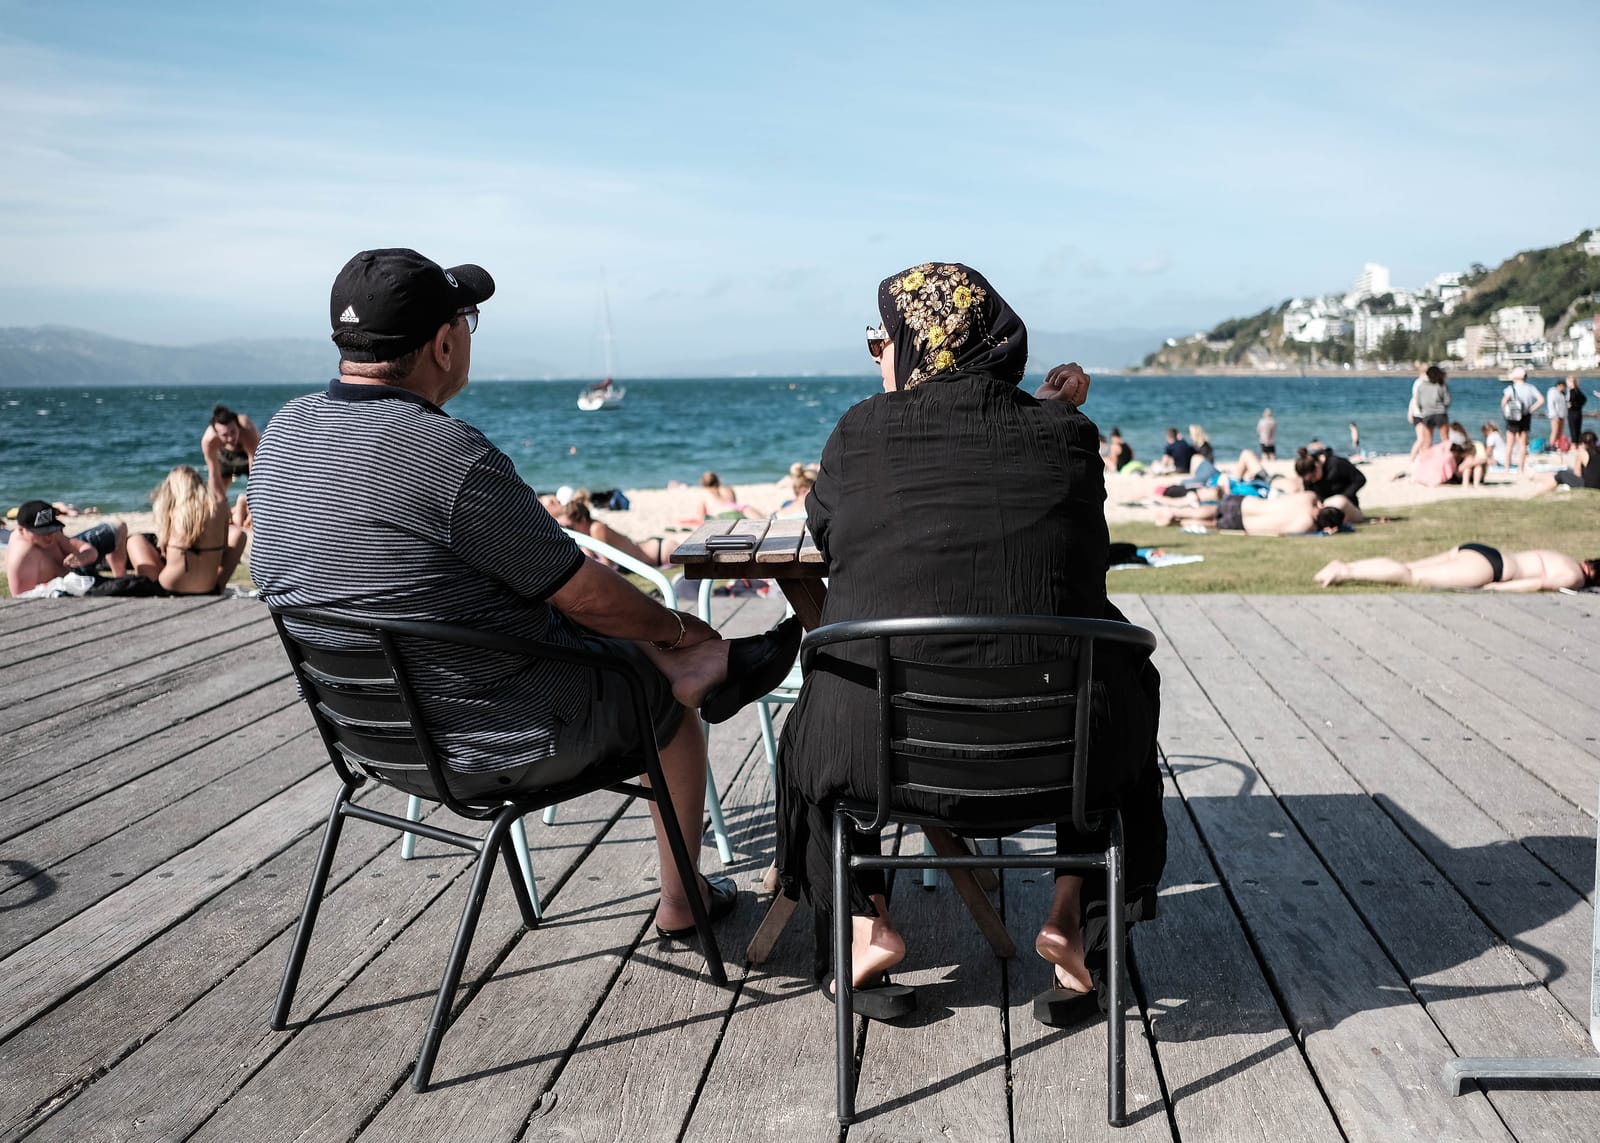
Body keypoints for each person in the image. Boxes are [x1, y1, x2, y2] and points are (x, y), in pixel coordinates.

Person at [248, 247, 802, 940]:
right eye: (466, 321)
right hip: (491, 739)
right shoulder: (444, 453)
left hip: (371, 738)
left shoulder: (282, 437)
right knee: (659, 699)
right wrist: (677, 629)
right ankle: (684, 893)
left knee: (603, 636)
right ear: (444, 343)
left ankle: (692, 662)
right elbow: (583, 593)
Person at [778, 263, 1164, 1026]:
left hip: (887, 757)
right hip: (1060, 755)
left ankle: (864, 925)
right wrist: (1050, 410)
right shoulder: (1069, 437)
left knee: (812, 737)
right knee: (1110, 684)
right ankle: (1072, 917)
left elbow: (825, 531)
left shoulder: (859, 433)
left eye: (878, 341)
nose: (875, 357)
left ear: (915, 346)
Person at [125, 466, 248, 594]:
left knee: (135, 540)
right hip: (208, 587)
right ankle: (219, 585)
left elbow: (164, 551)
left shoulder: (172, 511)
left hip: (168, 587)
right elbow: (223, 545)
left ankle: (153, 587)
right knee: (239, 535)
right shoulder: (217, 509)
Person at [1315, 547, 1598, 592]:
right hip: (1493, 568)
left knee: (1408, 567)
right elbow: (1538, 583)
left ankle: (1347, 566)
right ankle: (1346, 573)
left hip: (1483, 551)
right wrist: (1498, 587)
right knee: (1410, 576)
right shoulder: (1574, 575)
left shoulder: (1565, 557)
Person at [5, 500, 129, 595]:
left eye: (51, 530)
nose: (48, 536)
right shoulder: (22, 556)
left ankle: (120, 575)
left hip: (77, 568)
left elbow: (89, 550)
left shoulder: (53, 534)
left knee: (118, 525)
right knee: (129, 587)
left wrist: (83, 556)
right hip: (65, 588)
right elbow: (22, 599)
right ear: (21, 530)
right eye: (42, 532)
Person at [556, 492, 681, 568]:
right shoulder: (590, 533)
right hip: (650, 548)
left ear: (582, 520)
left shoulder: (596, 528)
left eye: (570, 527)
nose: (568, 531)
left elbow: (607, 564)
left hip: (658, 553)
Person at [1151, 490, 1345, 535]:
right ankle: (1179, 522)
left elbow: (1307, 495)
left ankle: (1178, 512)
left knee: (1213, 509)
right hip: (1245, 525)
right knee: (1212, 523)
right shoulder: (1307, 526)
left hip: (1247, 504)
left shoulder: (1309, 497)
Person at [202, 405, 261, 530]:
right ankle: (238, 506)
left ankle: (246, 505)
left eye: (233, 432)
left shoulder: (247, 430)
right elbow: (213, 475)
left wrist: (254, 509)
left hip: (247, 456)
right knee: (216, 499)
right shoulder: (209, 441)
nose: (230, 438)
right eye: (224, 435)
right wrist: (222, 508)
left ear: (238, 426)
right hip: (225, 457)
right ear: (216, 433)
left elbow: (256, 472)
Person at [1501, 367, 1543, 474]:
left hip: (1512, 417)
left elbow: (1503, 402)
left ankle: (1506, 468)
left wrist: (1506, 412)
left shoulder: (1511, 388)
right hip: (1525, 416)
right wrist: (1530, 409)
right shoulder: (1530, 388)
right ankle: (1521, 468)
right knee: (1523, 444)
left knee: (1510, 444)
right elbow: (1541, 400)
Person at [1295, 446, 1366, 510]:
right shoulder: (1308, 477)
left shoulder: (1337, 463)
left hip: (1346, 505)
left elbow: (1360, 479)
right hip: (1323, 509)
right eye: (1309, 480)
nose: (1312, 481)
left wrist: (1345, 496)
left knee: (1339, 502)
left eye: (1313, 477)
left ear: (1317, 466)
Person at [1407, 364, 1451, 462]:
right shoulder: (1441, 384)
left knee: (1427, 441)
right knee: (1445, 440)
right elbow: (1447, 401)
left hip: (1427, 414)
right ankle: (1448, 460)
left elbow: (1417, 401)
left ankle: (1425, 462)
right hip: (1440, 414)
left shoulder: (1422, 385)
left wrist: (1424, 411)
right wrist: (1443, 408)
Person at [1535, 430, 1600, 492]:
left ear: (1582, 443)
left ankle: (1539, 493)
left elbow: (1577, 474)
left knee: (1561, 474)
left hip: (1587, 486)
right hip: (1598, 486)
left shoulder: (1582, 452)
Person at [698, 472, 762, 520]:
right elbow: (734, 501)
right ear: (717, 480)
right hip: (737, 509)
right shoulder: (728, 488)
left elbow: (701, 515)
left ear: (703, 483)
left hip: (718, 512)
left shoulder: (705, 493)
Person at [1546, 378, 1569, 448]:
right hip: (1555, 415)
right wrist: (1554, 415)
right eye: (1563, 386)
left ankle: (1557, 445)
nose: (1563, 388)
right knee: (1555, 431)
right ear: (1559, 385)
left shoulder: (1563, 394)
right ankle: (1551, 445)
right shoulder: (1552, 392)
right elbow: (1551, 405)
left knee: (1560, 432)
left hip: (1562, 415)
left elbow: (1565, 404)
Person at [1566, 376, 1588, 448]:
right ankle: (1578, 445)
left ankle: (1574, 446)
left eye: (1567, 382)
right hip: (1578, 412)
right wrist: (1579, 405)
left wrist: (1572, 405)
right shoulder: (1577, 390)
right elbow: (1584, 399)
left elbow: (1571, 400)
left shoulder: (1572, 390)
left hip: (1572, 412)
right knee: (1577, 430)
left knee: (1573, 430)